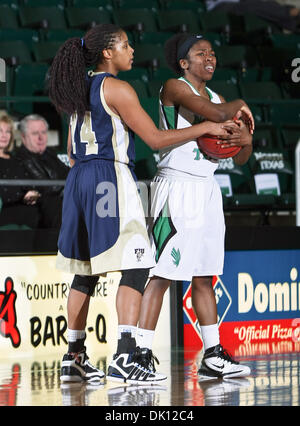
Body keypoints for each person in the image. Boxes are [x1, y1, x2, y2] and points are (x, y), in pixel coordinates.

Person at [47, 23, 244, 384]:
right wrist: (204, 129)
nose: (131, 50)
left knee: (85, 271)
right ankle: (126, 357)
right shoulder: (118, 88)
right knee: (138, 265)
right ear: (108, 52)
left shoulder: (77, 87)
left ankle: (73, 357)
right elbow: (154, 139)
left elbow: (75, 151)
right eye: (124, 45)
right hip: (109, 177)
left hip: (78, 178)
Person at [136, 33, 253, 381]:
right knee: (162, 274)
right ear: (184, 62)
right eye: (201, 54)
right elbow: (218, 114)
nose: (210, 58)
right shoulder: (174, 87)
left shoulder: (217, 96)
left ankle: (213, 353)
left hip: (206, 189)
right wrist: (241, 104)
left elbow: (241, 157)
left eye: (213, 53)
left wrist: (244, 140)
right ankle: (140, 352)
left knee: (205, 275)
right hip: (176, 186)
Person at [14, 114, 70, 229]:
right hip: (45, 211)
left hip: (61, 203)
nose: (41, 138)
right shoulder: (22, 158)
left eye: (43, 132)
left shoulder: (49, 152)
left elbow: (69, 173)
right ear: (24, 137)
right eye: (35, 133)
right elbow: (48, 187)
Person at [0, 113, 41, 229]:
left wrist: (34, 193)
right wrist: (22, 196)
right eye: (0, 131)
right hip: (6, 212)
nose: (4, 135)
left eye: (7, 132)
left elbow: (29, 182)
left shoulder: (17, 159)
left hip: (27, 210)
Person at [205, 0, 300, 32]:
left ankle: (293, 21)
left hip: (237, 2)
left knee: (268, 5)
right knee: (251, 7)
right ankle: (291, 14)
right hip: (218, 7)